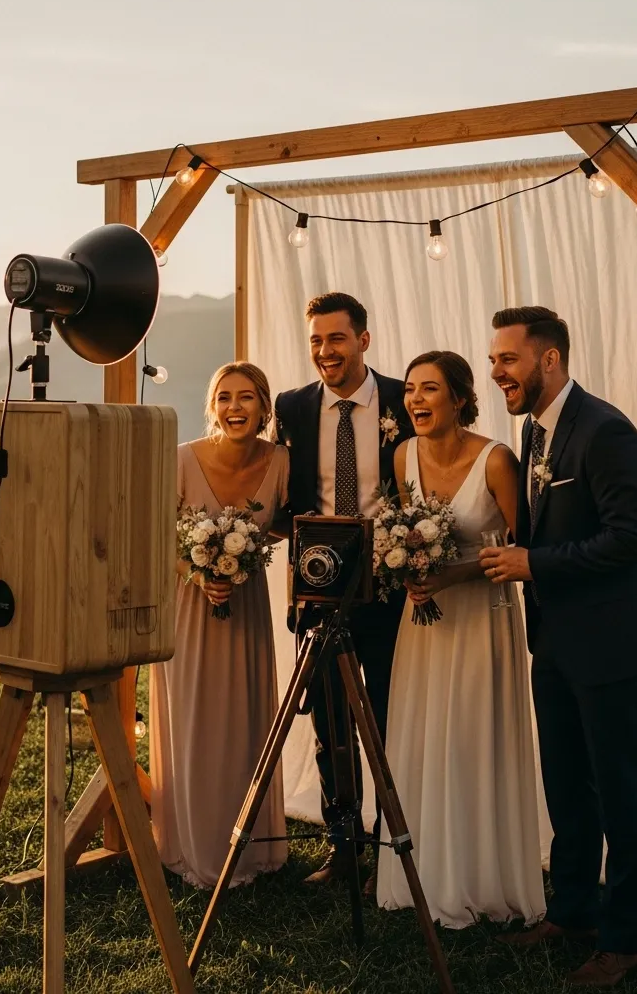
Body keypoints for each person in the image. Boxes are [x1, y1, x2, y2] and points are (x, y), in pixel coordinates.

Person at [481, 306, 637, 987]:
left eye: (508, 358)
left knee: (620, 792)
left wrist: (535, 565)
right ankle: (573, 912)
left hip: (615, 641)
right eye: (494, 358)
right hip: (559, 643)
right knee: (567, 786)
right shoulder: (535, 432)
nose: (496, 370)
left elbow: (630, 540)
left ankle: (624, 940)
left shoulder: (605, 430)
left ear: (550, 360)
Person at [375, 351, 546, 928]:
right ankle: (425, 874)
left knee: (474, 735)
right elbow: (405, 532)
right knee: (425, 737)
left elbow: (525, 548)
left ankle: (483, 879)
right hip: (424, 625)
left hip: (483, 620)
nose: (416, 400)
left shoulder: (497, 460)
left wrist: (453, 572)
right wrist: (407, 571)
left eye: (430, 390)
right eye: (411, 391)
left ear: (459, 399)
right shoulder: (402, 457)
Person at [274, 292, 411, 893]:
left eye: (336, 339)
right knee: (329, 724)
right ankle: (343, 847)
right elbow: (281, 494)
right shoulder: (293, 408)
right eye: (316, 341)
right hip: (321, 592)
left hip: (390, 593)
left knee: (390, 721)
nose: (325, 352)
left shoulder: (407, 399)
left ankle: (396, 847)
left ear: (364, 340)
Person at [149, 361, 289, 889]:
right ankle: (194, 846)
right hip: (190, 609)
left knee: (246, 720)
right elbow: (158, 534)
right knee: (195, 722)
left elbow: (284, 523)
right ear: (212, 407)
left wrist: (245, 557)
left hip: (246, 612)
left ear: (264, 408)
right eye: (225, 397)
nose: (236, 407)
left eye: (247, 397)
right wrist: (197, 571)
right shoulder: (182, 460)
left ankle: (252, 848)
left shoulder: (282, 463)